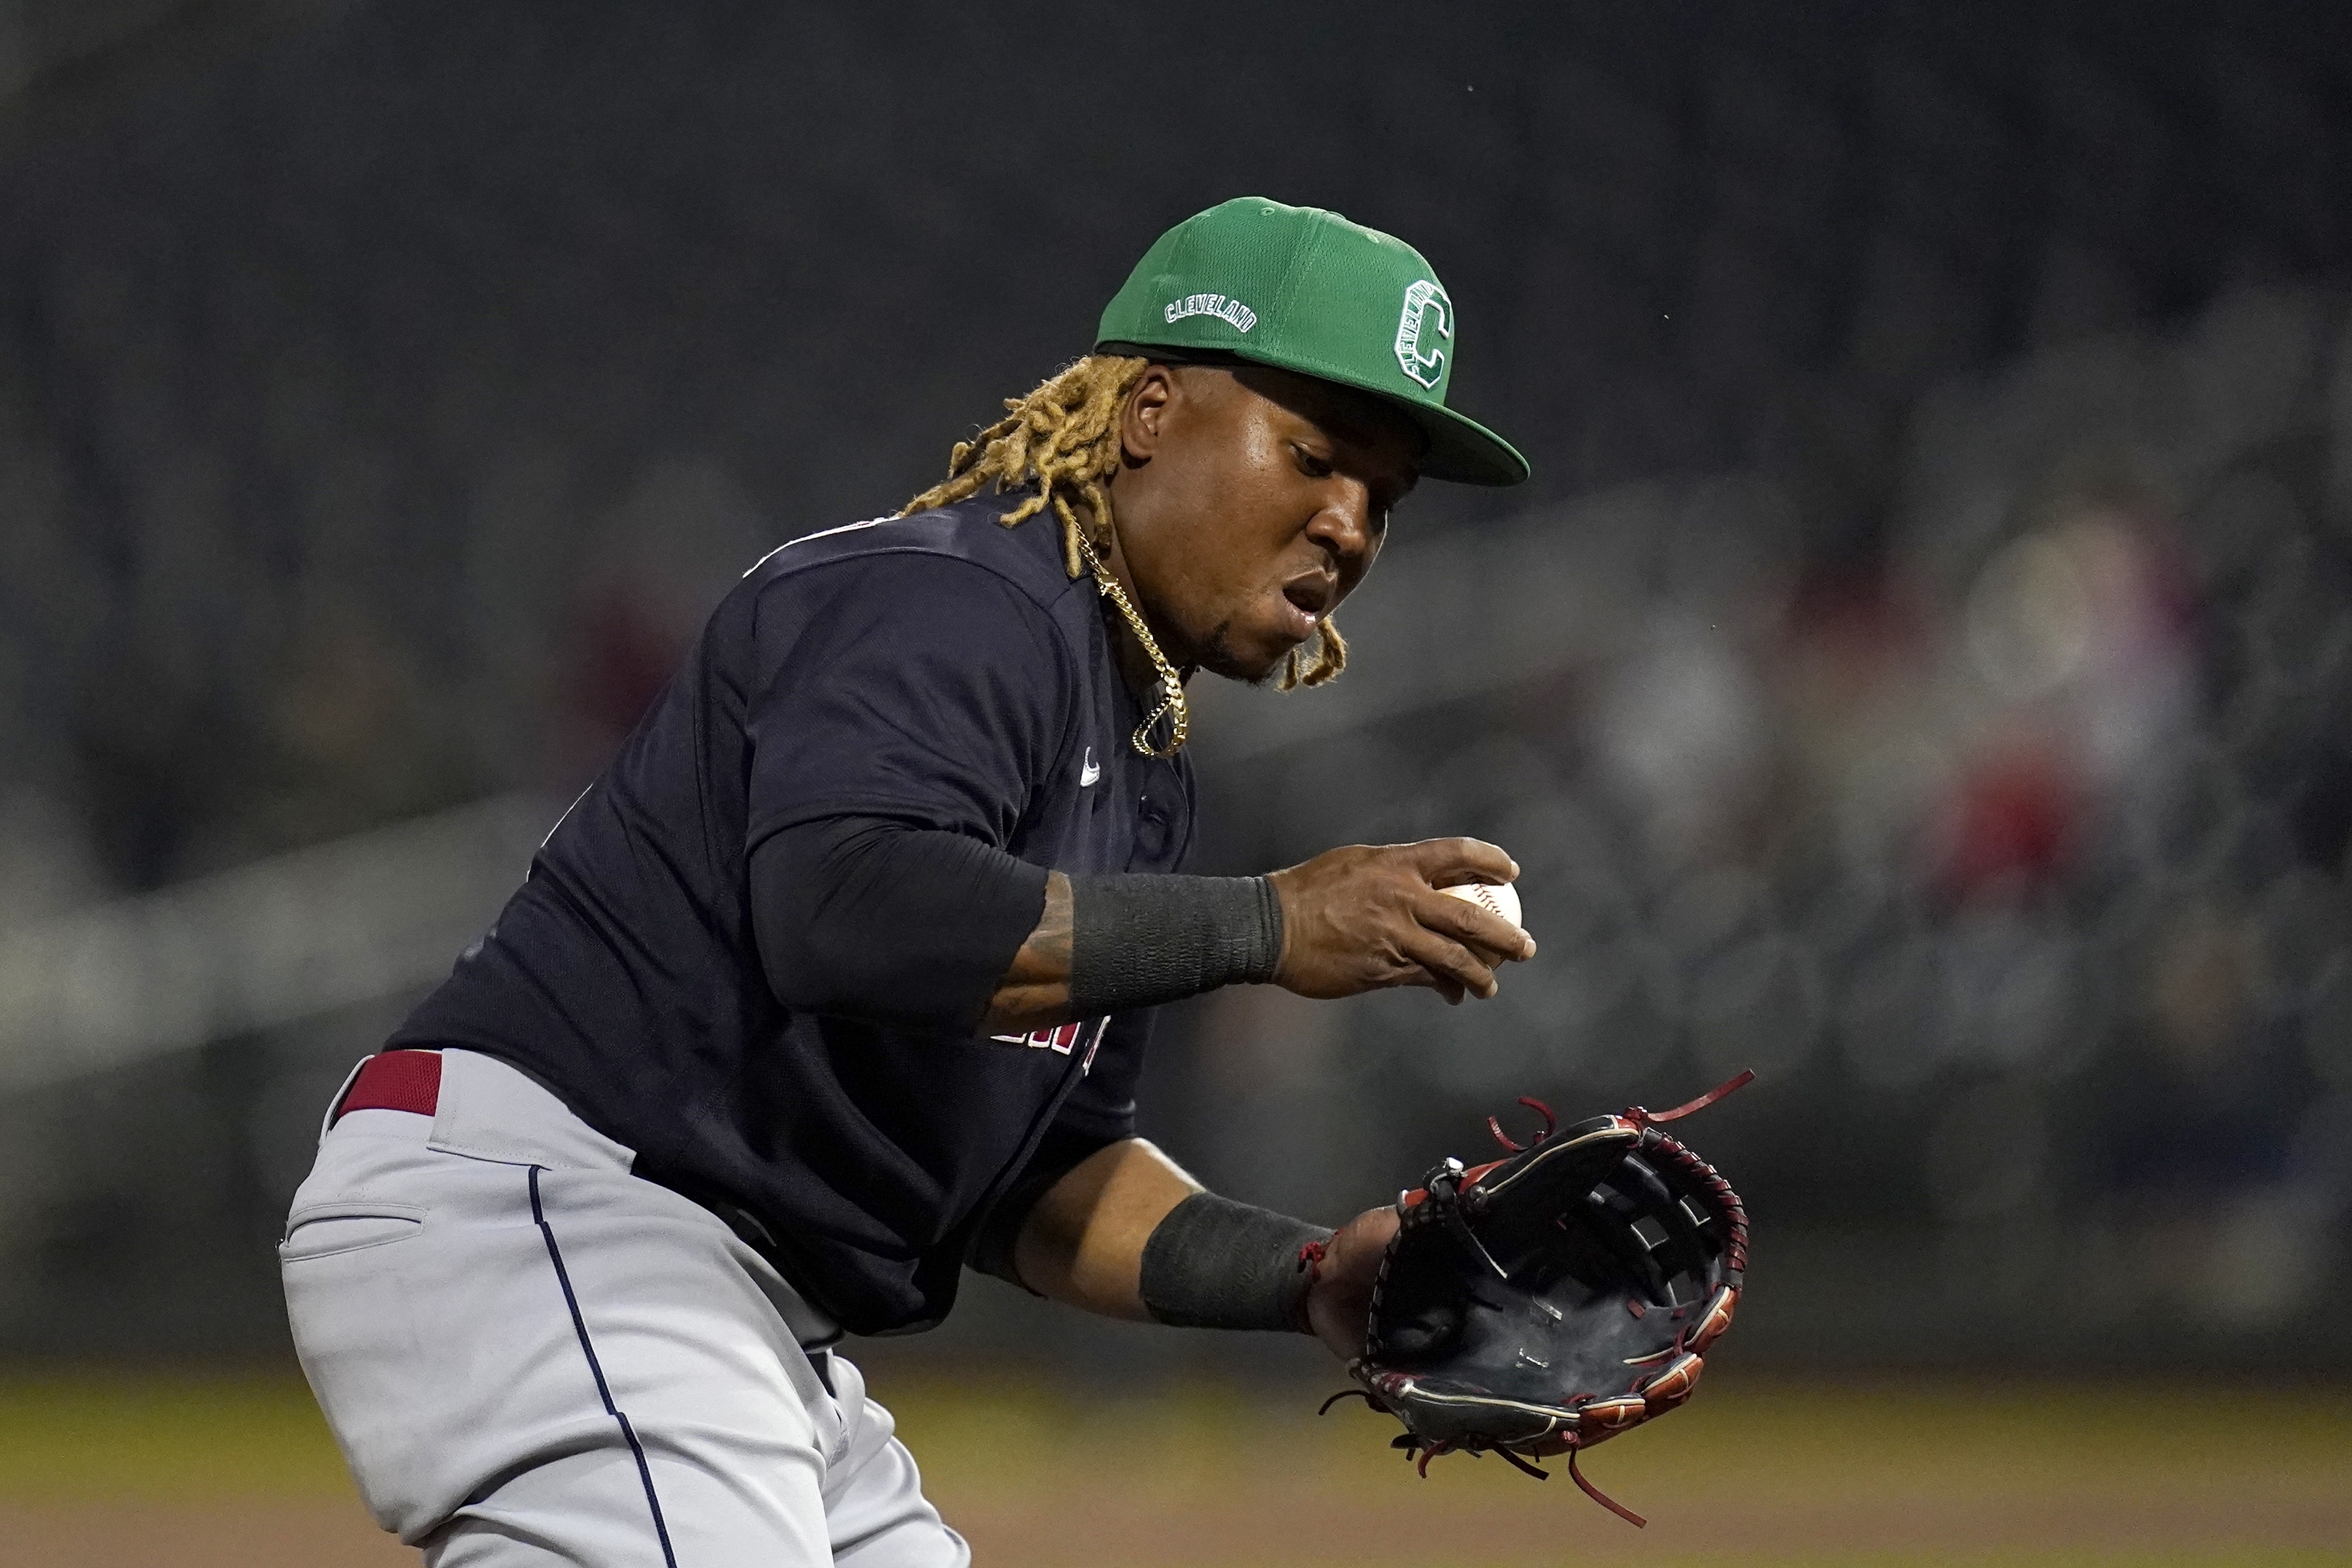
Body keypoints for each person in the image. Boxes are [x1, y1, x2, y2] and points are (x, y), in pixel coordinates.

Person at [280, 196, 1534, 1567]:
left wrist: (1302, 1280)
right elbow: (849, 909)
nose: (1348, 525)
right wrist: (1269, 923)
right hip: (553, 1203)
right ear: (1151, 411)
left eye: (1382, 497)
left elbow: (1033, 1181)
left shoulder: (1137, 767)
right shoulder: (956, 599)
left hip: (723, 1301)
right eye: (1313, 455)